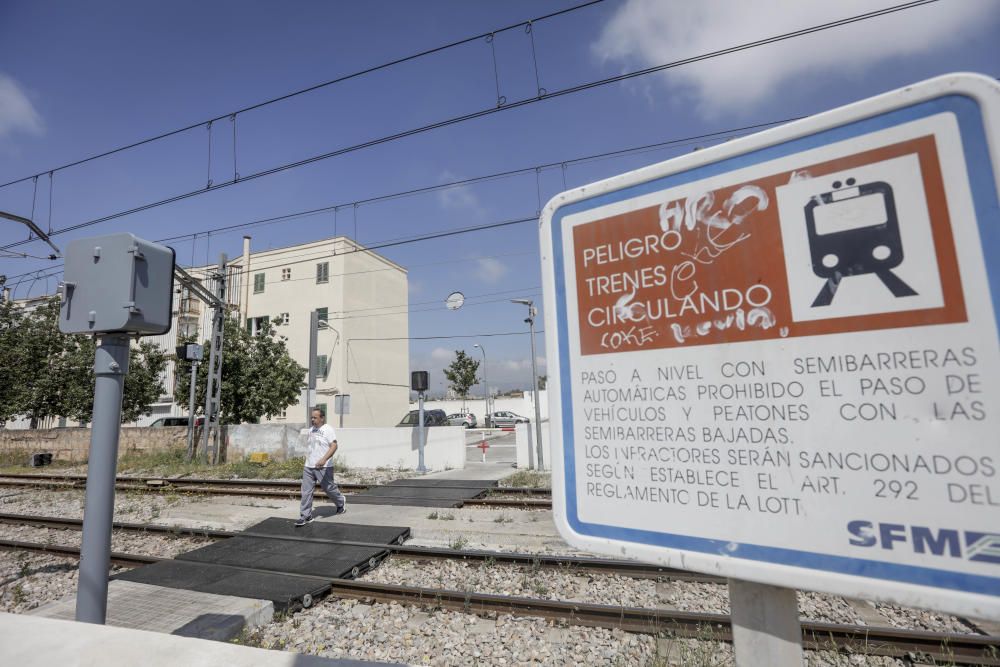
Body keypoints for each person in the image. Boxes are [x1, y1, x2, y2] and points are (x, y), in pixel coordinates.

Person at [296, 407, 346, 526]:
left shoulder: (328, 429)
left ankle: (340, 502)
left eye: (315, 417)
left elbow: (334, 446)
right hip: (309, 465)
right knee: (306, 492)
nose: (313, 420)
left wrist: (324, 459)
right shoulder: (311, 430)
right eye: (312, 417)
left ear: (322, 418)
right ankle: (305, 516)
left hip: (324, 466)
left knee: (329, 489)